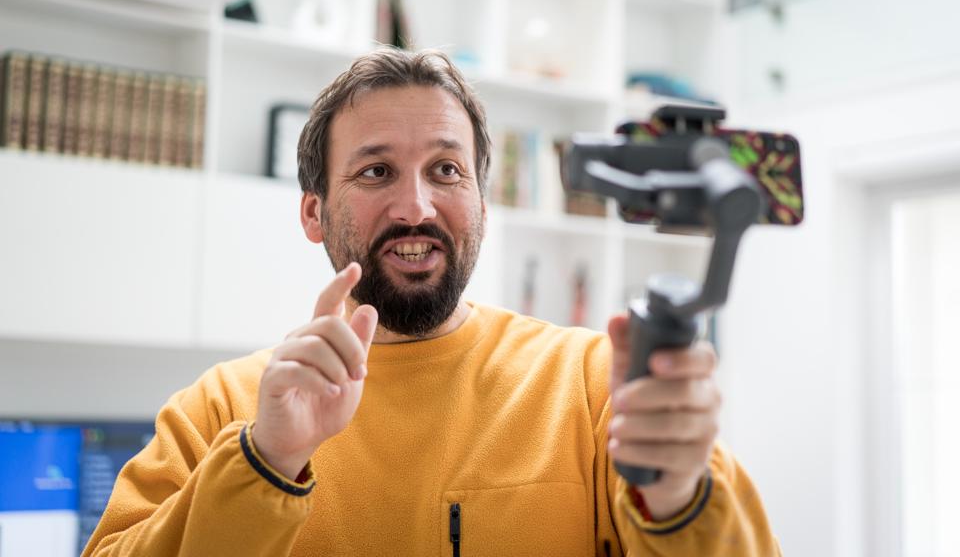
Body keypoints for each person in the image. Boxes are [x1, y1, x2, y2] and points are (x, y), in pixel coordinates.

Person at [83, 48, 779, 556]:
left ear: (481, 204)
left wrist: (678, 496)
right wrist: (264, 460)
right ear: (314, 212)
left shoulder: (596, 385)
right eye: (377, 171)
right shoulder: (220, 410)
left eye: (446, 171)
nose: (415, 206)